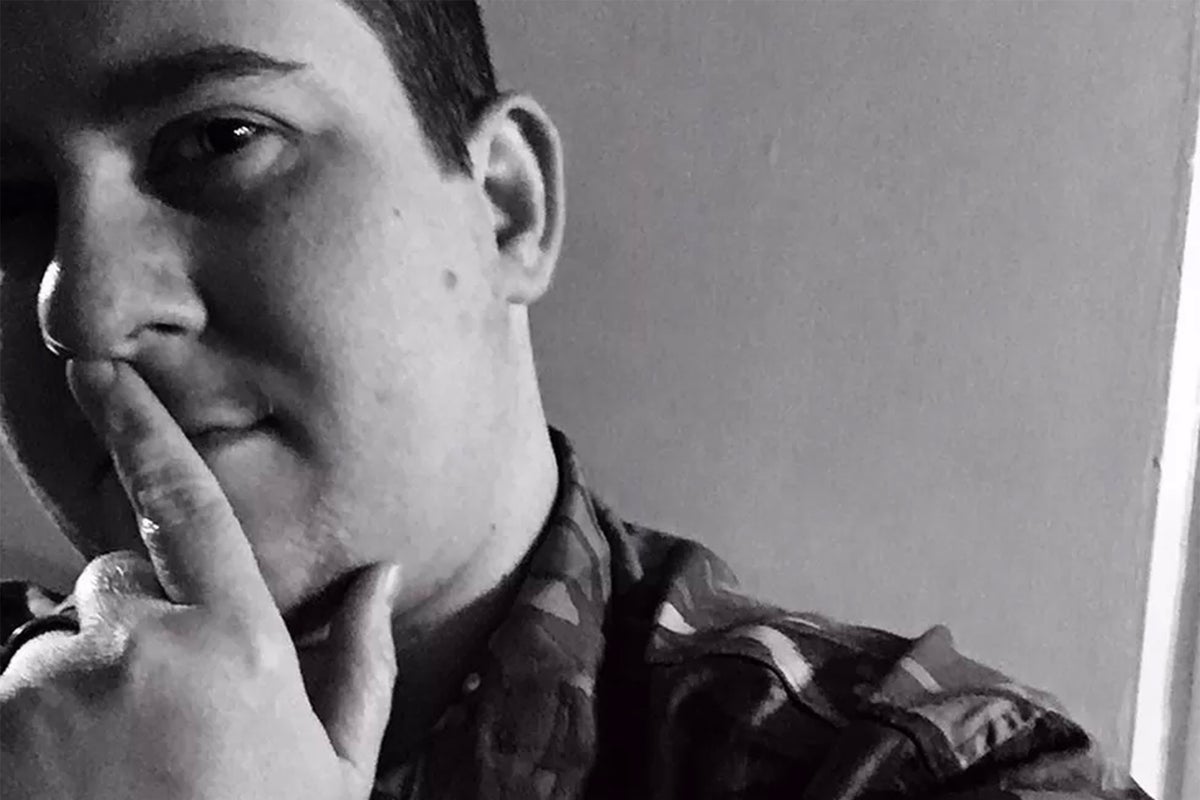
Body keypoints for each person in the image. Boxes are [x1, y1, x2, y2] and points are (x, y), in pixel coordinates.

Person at [0, 1, 1151, 798]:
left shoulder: (917, 774)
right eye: (8, 200)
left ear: (507, 206)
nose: (82, 305)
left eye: (220, 138)